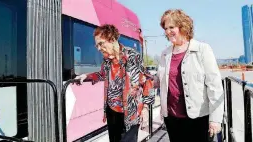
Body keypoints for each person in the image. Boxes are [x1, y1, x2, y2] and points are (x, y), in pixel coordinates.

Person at [75, 24, 154, 142]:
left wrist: (146, 108)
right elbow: (102, 74)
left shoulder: (132, 56)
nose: (98, 48)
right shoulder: (107, 61)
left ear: (112, 39)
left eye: (101, 44)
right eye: (97, 45)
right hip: (112, 112)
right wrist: (86, 75)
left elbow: (147, 80)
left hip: (130, 113)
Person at [155, 9, 224, 142]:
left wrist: (215, 119)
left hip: (197, 118)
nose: (167, 31)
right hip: (172, 118)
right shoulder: (165, 54)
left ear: (182, 26)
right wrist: (147, 80)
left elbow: (214, 86)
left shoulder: (202, 49)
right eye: (165, 28)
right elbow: (160, 80)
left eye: (171, 27)